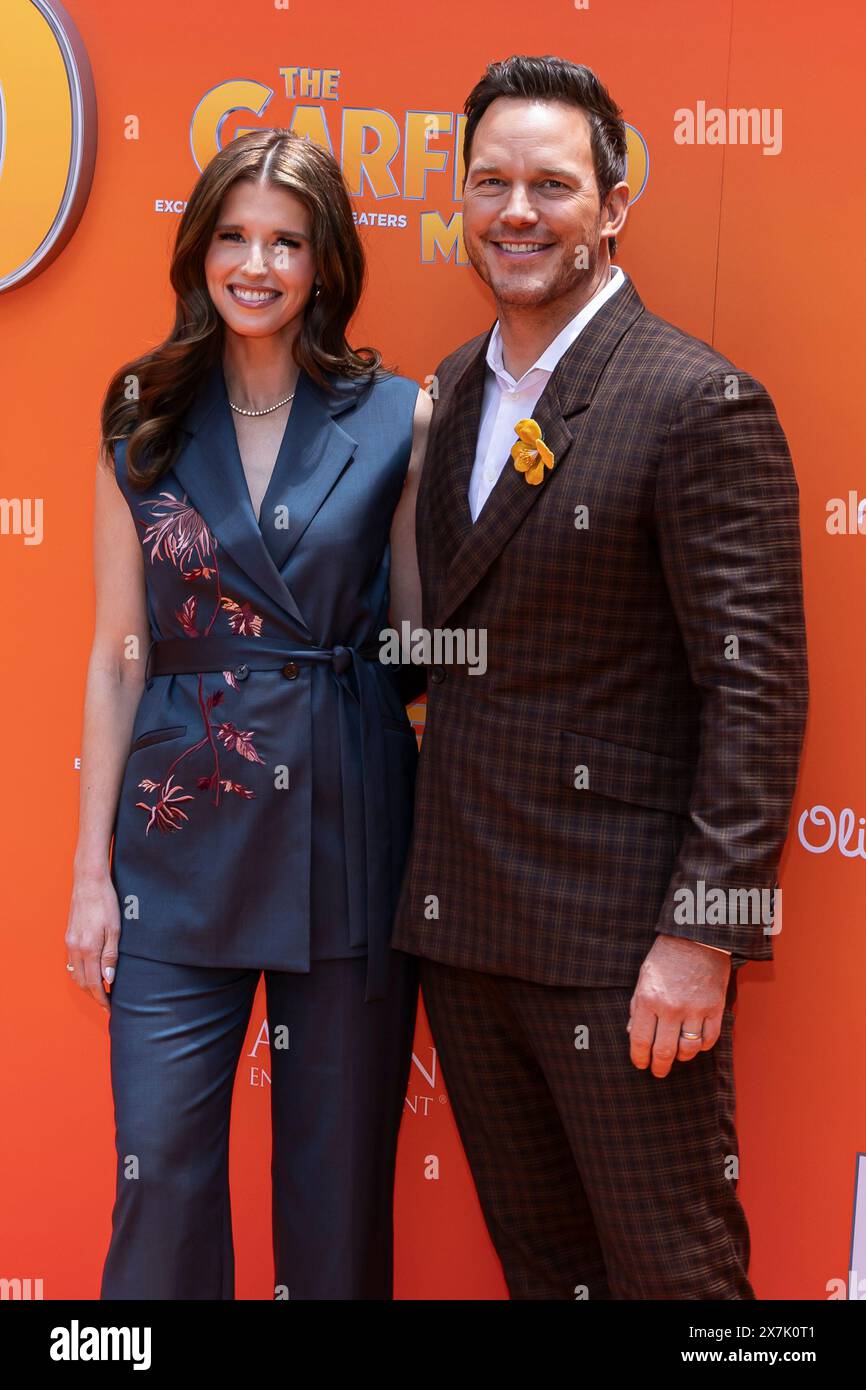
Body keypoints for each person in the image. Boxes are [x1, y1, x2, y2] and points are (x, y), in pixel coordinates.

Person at [392, 56, 809, 1299]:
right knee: (548, 1276)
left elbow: (755, 687)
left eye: (551, 185)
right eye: (489, 184)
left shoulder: (696, 400)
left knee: (677, 1281)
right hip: (464, 934)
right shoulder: (454, 392)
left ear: (614, 204)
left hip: (622, 947)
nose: (515, 211)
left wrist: (704, 935)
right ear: (459, 204)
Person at [66, 128, 431, 1300]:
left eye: (285, 239)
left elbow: (418, 646)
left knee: (335, 1191)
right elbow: (120, 656)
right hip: (176, 836)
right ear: (198, 248)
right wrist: (88, 872)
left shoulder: (397, 418)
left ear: (325, 259)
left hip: (346, 821)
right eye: (232, 235)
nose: (256, 263)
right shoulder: (141, 415)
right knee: (160, 1169)